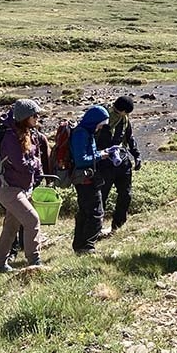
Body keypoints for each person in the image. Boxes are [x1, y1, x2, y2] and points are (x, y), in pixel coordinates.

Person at [0, 99, 45, 272]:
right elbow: (21, 165)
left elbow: (31, 160)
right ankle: (34, 261)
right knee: (32, 220)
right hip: (8, 188)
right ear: (24, 118)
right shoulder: (10, 137)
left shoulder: (28, 133)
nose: (38, 118)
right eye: (34, 115)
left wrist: (36, 169)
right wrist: (35, 164)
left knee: (11, 226)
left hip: (19, 188)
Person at [96, 96, 142, 235]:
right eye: (126, 112)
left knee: (125, 195)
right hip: (104, 163)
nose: (127, 115)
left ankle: (118, 226)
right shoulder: (103, 118)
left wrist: (137, 155)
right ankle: (96, 228)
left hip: (122, 162)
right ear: (121, 110)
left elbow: (129, 137)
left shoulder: (125, 119)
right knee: (102, 196)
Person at [70, 105, 111, 255]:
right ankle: (87, 246)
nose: (101, 128)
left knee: (85, 212)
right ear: (95, 121)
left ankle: (80, 246)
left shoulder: (87, 132)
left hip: (87, 178)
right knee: (95, 213)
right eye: (101, 124)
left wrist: (103, 152)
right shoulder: (81, 134)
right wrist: (102, 156)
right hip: (85, 180)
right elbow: (81, 160)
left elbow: (89, 154)